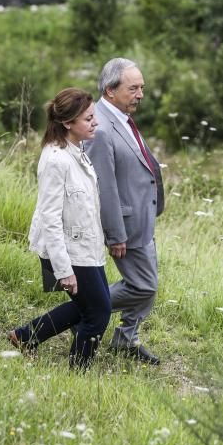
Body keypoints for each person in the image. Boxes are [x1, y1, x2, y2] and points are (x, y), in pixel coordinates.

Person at [8, 87, 111, 369]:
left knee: (87, 307)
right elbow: (49, 218)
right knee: (98, 314)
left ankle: (25, 336)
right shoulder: (56, 160)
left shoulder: (76, 150)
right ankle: (78, 375)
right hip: (68, 251)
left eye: (94, 116)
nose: (95, 123)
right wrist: (63, 269)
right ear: (67, 123)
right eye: (88, 119)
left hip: (86, 246)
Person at [84, 58, 164, 365]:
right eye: (133, 88)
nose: (140, 94)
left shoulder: (122, 116)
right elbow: (104, 186)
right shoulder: (101, 127)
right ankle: (83, 309)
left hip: (143, 215)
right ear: (110, 90)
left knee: (148, 284)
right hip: (126, 223)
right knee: (144, 286)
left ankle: (127, 338)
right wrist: (115, 233)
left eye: (142, 87)